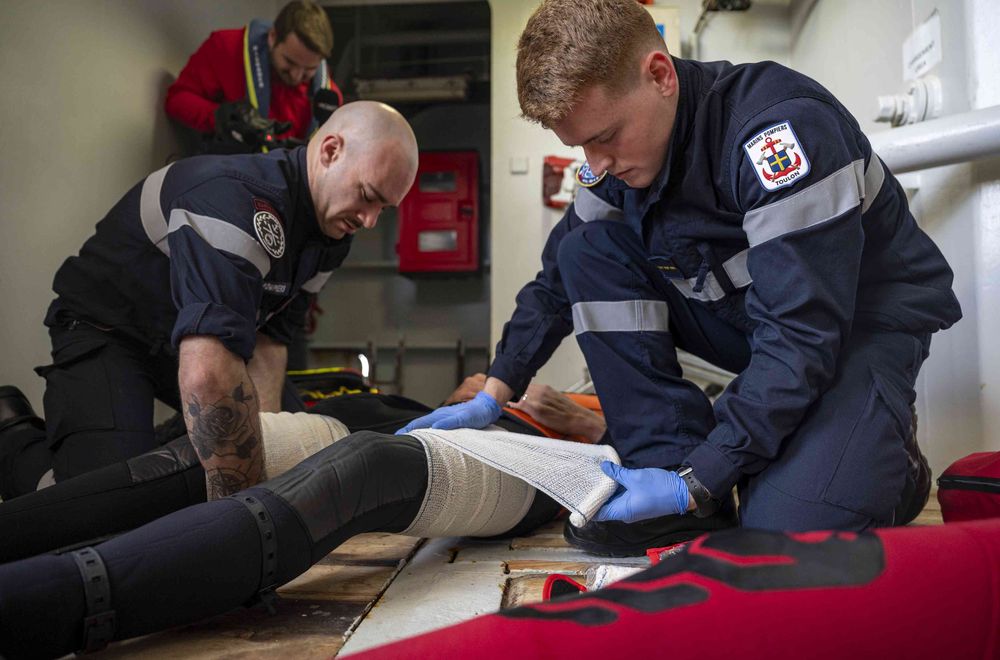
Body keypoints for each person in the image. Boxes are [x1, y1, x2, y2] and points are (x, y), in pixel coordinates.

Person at [397, 0, 961, 554]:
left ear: (660, 74)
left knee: (784, 533)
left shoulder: (778, 134)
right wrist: (497, 388)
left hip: (856, 328)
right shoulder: (615, 165)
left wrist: (701, 477)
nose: (596, 163)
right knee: (586, 249)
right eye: (580, 147)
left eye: (606, 136)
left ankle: (894, 470)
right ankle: (669, 465)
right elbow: (558, 277)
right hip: (756, 323)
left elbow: (803, 334)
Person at [0, 383, 618, 657]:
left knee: (364, 472)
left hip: (548, 459)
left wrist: (591, 424)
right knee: (237, 439)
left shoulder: (690, 383)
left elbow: (685, 458)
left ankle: (35, 606)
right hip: (451, 415)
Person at [0, 101, 418, 501]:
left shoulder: (332, 232)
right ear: (330, 151)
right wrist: (243, 515)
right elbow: (206, 374)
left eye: (384, 207)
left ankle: (163, 441)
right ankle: (12, 435)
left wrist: (272, 452)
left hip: (180, 337)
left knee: (303, 453)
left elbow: (271, 339)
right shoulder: (236, 200)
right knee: (105, 505)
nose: (370, 220)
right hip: (109, 329)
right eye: (367, 194)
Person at [0, 381, 604, 564]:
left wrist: (584, 422)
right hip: (410, 413)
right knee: (193, 459)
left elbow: (644, 450)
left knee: (361, 471)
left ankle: (13, 432)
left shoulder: (620, 418)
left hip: (519, 455)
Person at [164, 1, 344, 150]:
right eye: (289, 63)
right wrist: (221, 118)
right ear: (273, 36)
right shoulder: (225, 48)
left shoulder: (327, 99)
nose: (297, 76)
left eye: (308, 70)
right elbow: (176, 100)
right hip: (230, 174)